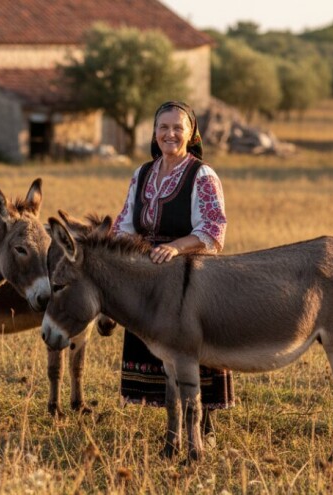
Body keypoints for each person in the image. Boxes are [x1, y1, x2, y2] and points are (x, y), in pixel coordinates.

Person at [112, 100, 234, 434]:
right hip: (149, 273)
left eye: (178, 128)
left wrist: (174, 247)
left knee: (194, 345)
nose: (170, 134)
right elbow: (123, 224)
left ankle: (204, 422)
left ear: (191, 133)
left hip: (189, 274)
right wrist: (132, 254)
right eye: (163, 127)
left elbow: (212, 230)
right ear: (154, 132)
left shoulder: (202, 175)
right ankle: (173, 421)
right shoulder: (142, 173)